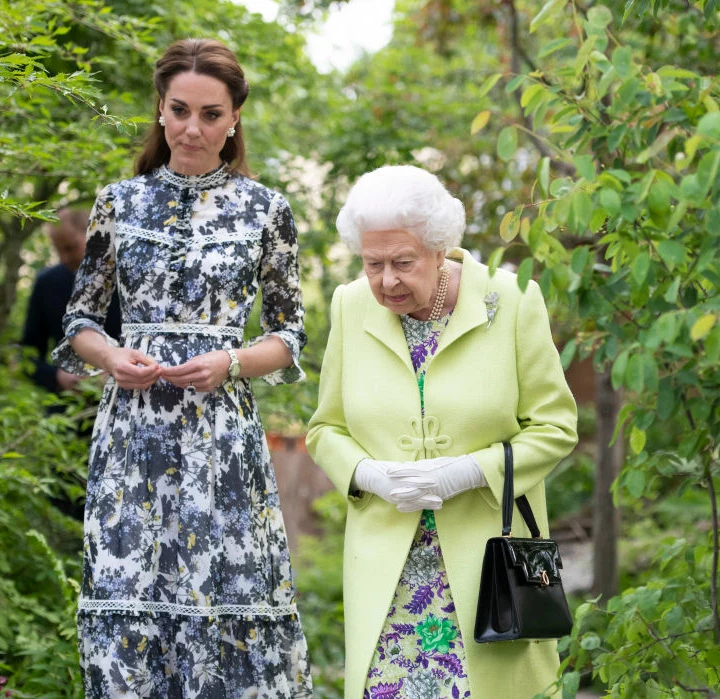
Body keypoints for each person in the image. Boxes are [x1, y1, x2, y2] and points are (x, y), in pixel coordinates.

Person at [51, 38, 312, 697]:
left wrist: (230, 360)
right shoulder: (117, 203)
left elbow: (288, 335)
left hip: (222, 442)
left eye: (211, 114)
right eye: (180, 110)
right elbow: (79, 320)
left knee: (229, 607)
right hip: (133, 439)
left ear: (234, 119)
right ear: (160, 111)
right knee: (130, 606)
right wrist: (111, 354)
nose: (194, 127)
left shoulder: (267, 210)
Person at [306, 165, 578, 699]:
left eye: (402, 262)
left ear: (440, 249)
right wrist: (367, 474)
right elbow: (325, 429)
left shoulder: (513, 300)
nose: (386, 280)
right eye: (372, 263)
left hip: (490, 568)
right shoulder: (349, 304)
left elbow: (555, 426)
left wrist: (469, 471)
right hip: (389, 568)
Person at [20, 208, 120, 395]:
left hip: (125, 402)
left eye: (70, 248)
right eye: (58, 249)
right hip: (65, 410)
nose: (63, 258)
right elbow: (28, 354)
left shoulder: (128, 281)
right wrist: (57, 376)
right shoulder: (47, 284)